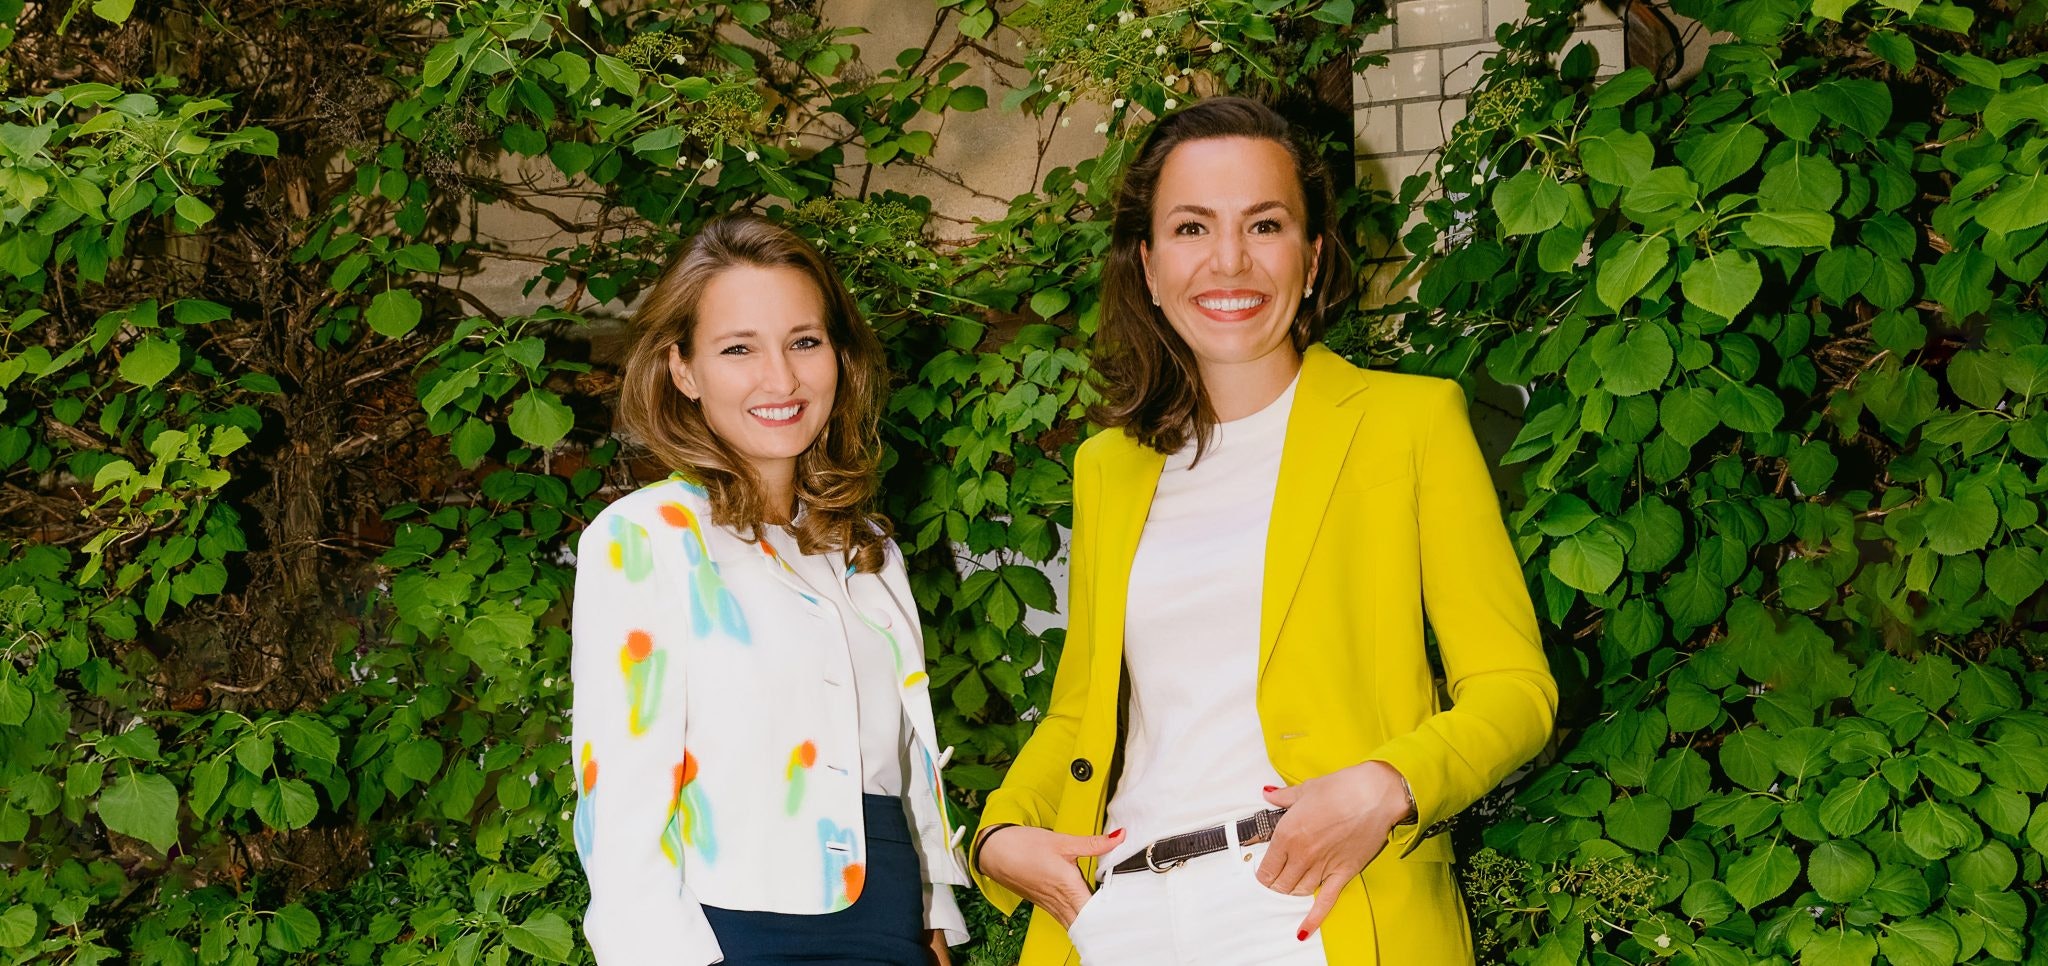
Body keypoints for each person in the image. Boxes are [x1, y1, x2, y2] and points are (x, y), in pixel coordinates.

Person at [970, 97, 1558, 965]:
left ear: (1313, 256)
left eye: (1265, 224)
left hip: (1313, 906)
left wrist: (1388, 786)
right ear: (1148, 261)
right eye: (1191, 227)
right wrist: (996, 835)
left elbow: (1515, 688)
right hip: (1118, 913)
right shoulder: (1108, 466)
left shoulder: (1411, 424)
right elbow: (1080, 713)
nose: (1229, 261)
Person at [568, 213, 969, 966]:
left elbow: (904, 767)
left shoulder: (868, 547)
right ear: (683, 369)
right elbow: (619, 800)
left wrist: (933, 923)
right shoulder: (645, 538)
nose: (780, 379)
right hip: (734, 933)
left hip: (889, 921)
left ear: (840, 357)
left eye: (804, 342)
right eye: (738, 349)